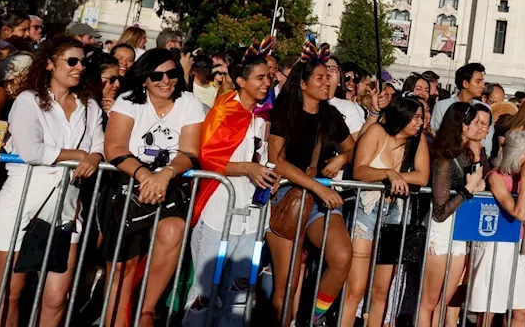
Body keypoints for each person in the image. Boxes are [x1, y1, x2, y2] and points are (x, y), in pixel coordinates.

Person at [0, 37, 105, 327]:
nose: (79, 67)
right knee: (9, 293)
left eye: (83, 62)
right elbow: (31, 151)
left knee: (57, 297)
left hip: (66, 209)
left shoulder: (89, 105)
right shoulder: (28, 100)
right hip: (20, 204)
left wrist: (94, 156)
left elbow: (100, 147)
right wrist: (79, 155)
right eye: (71, 61)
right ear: (49, 64)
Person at [102, 48, 204, 327]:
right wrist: (146, 175)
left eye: (172, 73)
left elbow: (190, 151)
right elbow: (114, 148)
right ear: (144, 78)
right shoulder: (128, 101)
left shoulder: (189, 102)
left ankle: (146, 311)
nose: (165, 80)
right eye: (156, 75)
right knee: (122, 267)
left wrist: (165, 174)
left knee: (174, 230)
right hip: (128, 181)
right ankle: (115, 319)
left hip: (170, 182)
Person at [183, 55, 277, 326]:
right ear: (240, 81)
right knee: (205, 291)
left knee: (240, 291)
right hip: (219, 211)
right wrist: (247, 168)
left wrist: (270, 174)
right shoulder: (225, 109)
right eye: (260, 78)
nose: (266, 83)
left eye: (268, 78)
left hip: (254, 216)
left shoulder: (267, 114)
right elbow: (208, 157)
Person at [266, 56, 356, 326]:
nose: (327, 81)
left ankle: (312, 317)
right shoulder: (285, 112)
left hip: (320, 200)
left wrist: (342, 158)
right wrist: (317, 186)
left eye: (328, 76)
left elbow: (351, 148)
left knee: (342, 257)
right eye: (320, 77)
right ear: (303, 84)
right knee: (287, 286)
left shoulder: (331, 116)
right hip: (286, 197)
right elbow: (276, 160)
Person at [343, 96, 431, 327]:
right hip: (367, 210)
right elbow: (359, 171)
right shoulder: (376, 132)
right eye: (416, 117)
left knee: (381, 289)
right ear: (401, 115)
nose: (420, 123)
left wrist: (397, 175)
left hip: (396, 213)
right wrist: (388, 174)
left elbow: (422, 176)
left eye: (421, 117)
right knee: (356, 287)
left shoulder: (418, 140)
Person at [468, 130, 525, 327]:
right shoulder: (496, 177)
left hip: (515, 246)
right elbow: (517, 212)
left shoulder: (523, 175)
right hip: (495, 245)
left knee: (521, 309)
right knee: (489, 310)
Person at [421, 101, 493, 327]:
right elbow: (440, 212)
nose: (479, 127)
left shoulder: (468, 155)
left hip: (459, 232)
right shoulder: (443, 158)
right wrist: (468, 190)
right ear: (462, 126)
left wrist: (476, 188)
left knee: (446, 301)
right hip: (441, 232)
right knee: (429, 302)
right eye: (475, 122)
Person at [432, 62, 494, 151]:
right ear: (465, 83)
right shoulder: (442, 106)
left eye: (482, 82)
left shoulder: (485, 109)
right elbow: (436, 135)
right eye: (478, 82)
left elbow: (487, 141)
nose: (482, 86)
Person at [81, 51, 121, 117]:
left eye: (118, 79)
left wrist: (113, 116)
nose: (117, 84)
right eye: (112, 79)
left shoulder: (119, 104)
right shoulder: (80, 106)